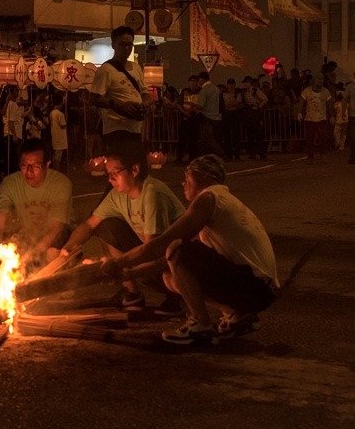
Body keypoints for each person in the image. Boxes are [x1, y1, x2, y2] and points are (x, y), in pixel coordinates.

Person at [101, 155, 279, 345]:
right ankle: (237, 314)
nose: (183, 182)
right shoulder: (219, 199)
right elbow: (167, 261)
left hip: (255, 288)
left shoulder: (208, 198)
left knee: (177, 248)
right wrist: (129, 274)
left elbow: (162, 245)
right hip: (258, 289)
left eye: (188, 178)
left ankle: (201, 326)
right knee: (170, 277)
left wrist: (117, 263)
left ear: (203, 179)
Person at [61, 145, 185, 316]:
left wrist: (121, 268)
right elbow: (89, 225)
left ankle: (176, 297)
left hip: (177, 261)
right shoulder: (117, 195)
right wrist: (67, 249)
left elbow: (152, 248)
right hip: (151, 253)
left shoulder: (152, 193)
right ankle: (133, 294)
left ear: (134, 170)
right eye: (108, 173)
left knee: (155, 261)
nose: (110, 179)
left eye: (115, 173)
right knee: (106, 225)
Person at [0, 138, 73, 268]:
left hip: (58, 237)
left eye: (36, 166)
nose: (29, 172)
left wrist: (33, 255)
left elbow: (57, 227)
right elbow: (0, 219)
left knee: (51, 256)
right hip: (27, 234)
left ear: (47, 164)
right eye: (24, 166)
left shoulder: (61, 183)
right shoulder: (10, 183)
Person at [89, 25, 151, 154]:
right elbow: (94, 98)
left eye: (130, 45)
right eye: (122, 44)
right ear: (113, 45)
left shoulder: (136, 67)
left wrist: (145, 103)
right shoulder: (106, 69)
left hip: (135, 127)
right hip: (116, 128)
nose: (127, 48)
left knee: (136, 167)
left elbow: (145, 92)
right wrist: (119, 104)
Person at [300, 73, 332, 162]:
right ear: (314, 80)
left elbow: (329, 105)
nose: (321, 80)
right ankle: (310, 156)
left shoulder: (326, 91)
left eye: (322, 79)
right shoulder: (307, 91)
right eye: (318, 78)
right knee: (309, 139)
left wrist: (332, 116)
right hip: (309, 119)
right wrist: (299, 112)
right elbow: (301, 101)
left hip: (322, 118)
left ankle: (323, 154)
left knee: (323, 138)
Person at [195, 71, 224, 157]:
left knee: (208, 139)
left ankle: (221, 154)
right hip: (217, 117)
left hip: (207, 117)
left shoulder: (204, 90)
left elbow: (200, 105)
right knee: (210, 139)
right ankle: (208, 156)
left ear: (201, 79)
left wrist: (192, 105)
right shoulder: (216, 88)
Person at [242, 76, 269, 160]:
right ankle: (252, 153)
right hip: (248, 113)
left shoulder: (255, 90)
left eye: (246, 82)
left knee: (258, 134)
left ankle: (262, 153)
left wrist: (258, 106)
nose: (245, 84)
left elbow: (265, 99)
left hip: (255, 112)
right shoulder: (244, 92)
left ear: (249, 82)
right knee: (250, 134)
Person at [221, 78, 243, 161]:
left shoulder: (237, 94)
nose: (230, 85)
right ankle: (229, 155)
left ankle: (237, 155)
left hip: (234, 114)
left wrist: (231, 104)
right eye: (229, 84)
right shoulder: (223, 94)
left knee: (236, 135)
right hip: (227, 115)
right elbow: (225, 104)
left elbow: (237, 104)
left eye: (232, 84)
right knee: (227, 136)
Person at [49, 91, 68, 173]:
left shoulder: (52, 113)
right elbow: (63, 125)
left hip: (55, 136)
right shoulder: (60, 114)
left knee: (56, 156)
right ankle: (56, 172)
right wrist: (66, 118)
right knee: (58, 158)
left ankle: (55, 171)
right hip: (60, 138)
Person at [344, 75, 355, 164]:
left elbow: (345, 100)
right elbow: (344, 99)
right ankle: (353, 156)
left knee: (353, 136)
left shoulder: (350, 87)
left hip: (352, 115)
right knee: (353, 136)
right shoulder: (350, 87)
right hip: (352, 116)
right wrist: (344, 112)